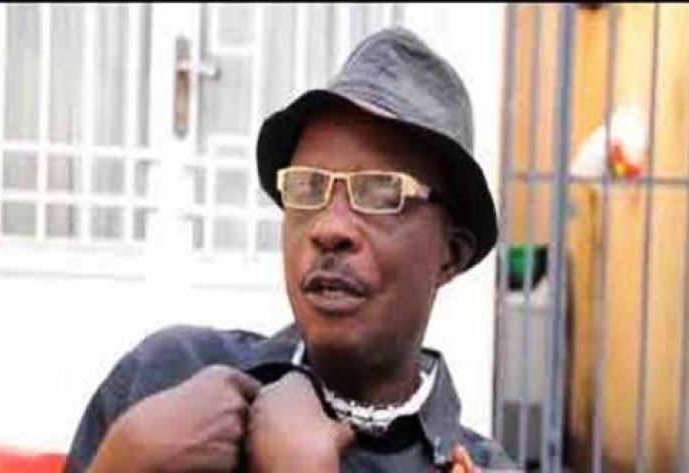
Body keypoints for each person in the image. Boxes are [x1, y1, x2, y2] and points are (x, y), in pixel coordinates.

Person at [65, 27, 517, 473]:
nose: (329, 228)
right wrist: (121, 462)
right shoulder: (168, 379)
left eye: (382, 192)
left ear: (450, 254)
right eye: (307, 187)